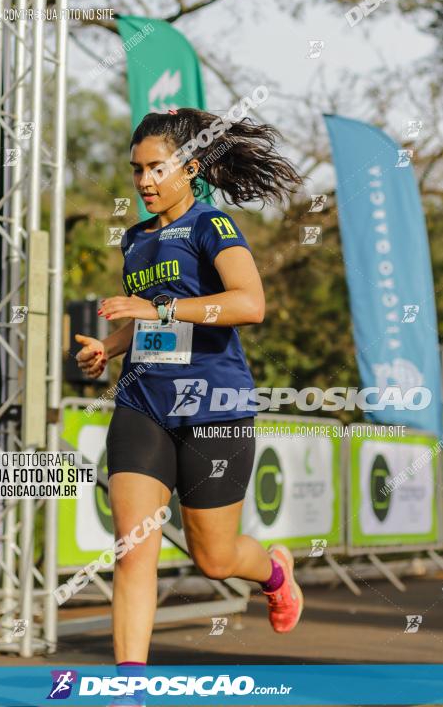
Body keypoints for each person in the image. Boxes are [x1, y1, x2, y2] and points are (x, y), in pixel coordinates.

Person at [75, 107, 303, 701]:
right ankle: (130, 687)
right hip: (143, 404)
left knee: (215, 557)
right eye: (136, 170)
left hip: (214, 409)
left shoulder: (213, 226)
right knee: (133, 547)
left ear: (190, 167)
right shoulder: (134, 239)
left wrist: (162, 311)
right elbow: (142, 314)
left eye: (156, 167)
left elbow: (249, 303)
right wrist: (109, 346)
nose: (145, 181)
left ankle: (276, 572)